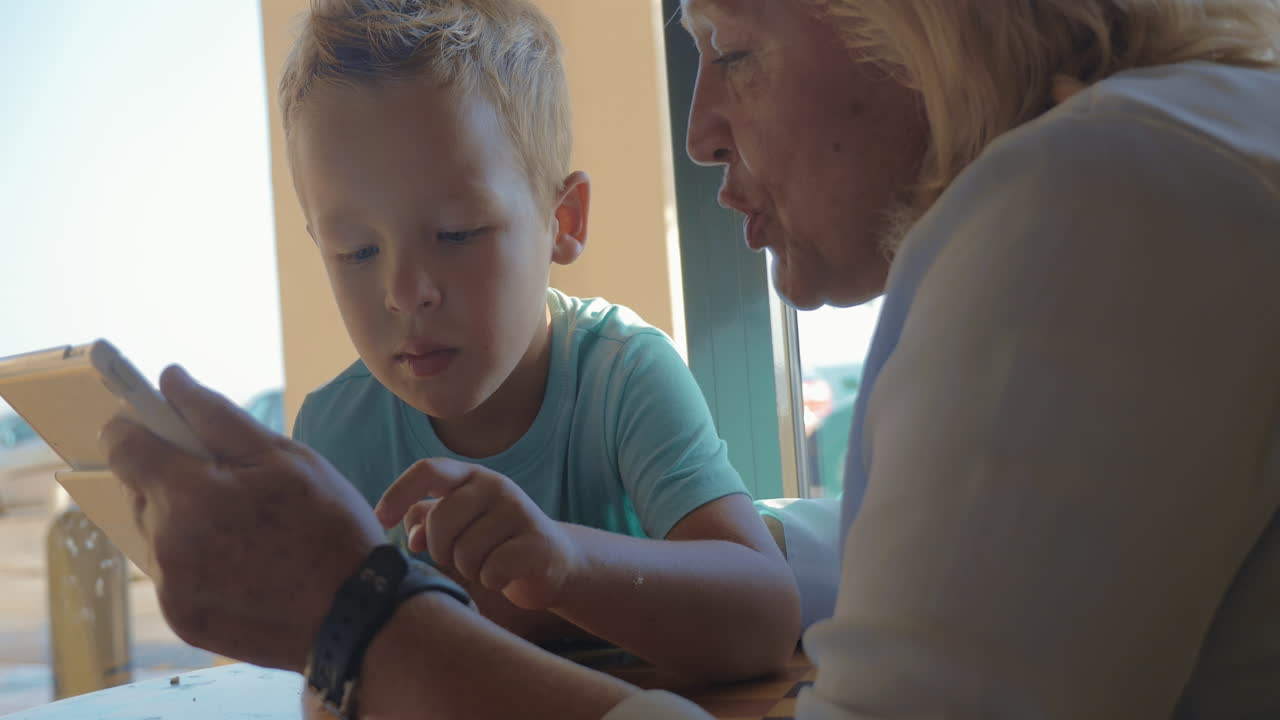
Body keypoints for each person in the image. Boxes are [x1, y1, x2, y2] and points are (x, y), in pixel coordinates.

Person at [101, 0, 1280, 718]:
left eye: (728, 44)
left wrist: (361, 613)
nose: (698, 125)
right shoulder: (1174, 160)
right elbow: (929, 578)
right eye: (350, 247)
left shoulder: (1087, 206)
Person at [273, 0, 800, 679]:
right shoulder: (334, 435)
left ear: (563, 220)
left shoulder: (623, 379)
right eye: (355, 251)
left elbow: (765, 617)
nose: (405, 292)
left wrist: (563, 563)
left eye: (457, 233)